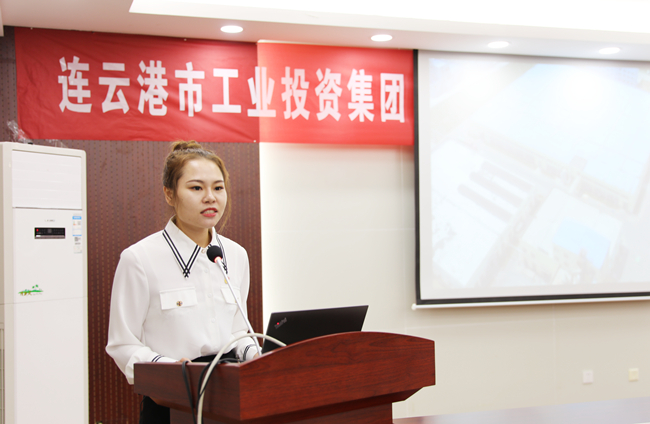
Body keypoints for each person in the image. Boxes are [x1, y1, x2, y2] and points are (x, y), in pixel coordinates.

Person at [106, 141, 258, 424]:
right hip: (170, 401)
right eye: (196, 188)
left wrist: (258, 357)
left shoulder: (236, 255)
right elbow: (122, 344)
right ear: (169, 194)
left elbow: (238, 329)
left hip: (229, 398)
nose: (210, 198)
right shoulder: (139, 259)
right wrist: (171, 371)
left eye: (218, 187)